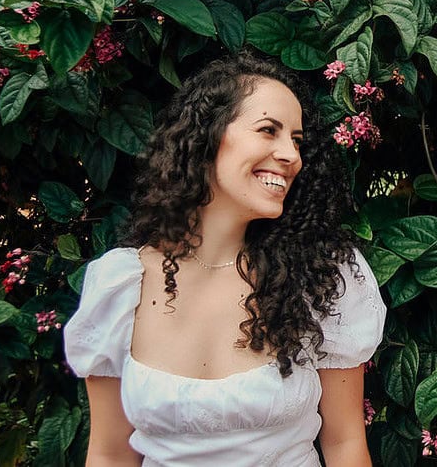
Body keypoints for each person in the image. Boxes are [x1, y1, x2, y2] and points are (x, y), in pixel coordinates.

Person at [64, 53, 385, 466]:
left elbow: (344, 445)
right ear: (207, 138)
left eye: (297, 140)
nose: (291, 155)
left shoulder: (320, 278)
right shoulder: (121, 284)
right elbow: (109, 455)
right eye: (269, 130)